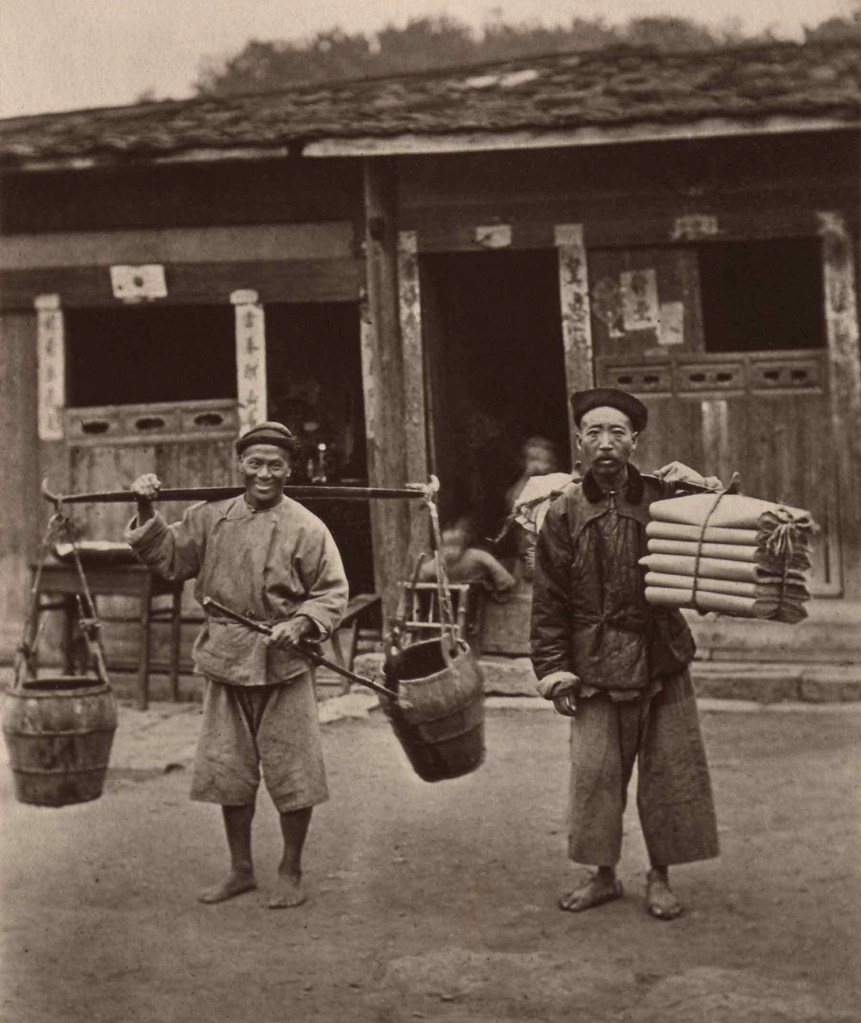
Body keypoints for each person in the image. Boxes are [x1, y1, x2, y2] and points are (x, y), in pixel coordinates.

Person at [126, 421, 348, 909]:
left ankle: (290, 869)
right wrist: (147, 508)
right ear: (239, 466)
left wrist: (303, 622)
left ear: (290, 470)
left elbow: (332, 592)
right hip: (226, 657)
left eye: (275, 465)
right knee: (229, 769)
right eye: (255, 464)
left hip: (285, 662)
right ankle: (240, 870)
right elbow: (169, 560)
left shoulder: (308, 527)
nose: (264, 474)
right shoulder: (209, 517)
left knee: (294, 770)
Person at [530, 388, 720, 920]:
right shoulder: (563, 513)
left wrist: (706, 491)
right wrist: (553, 669)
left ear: (635, 440)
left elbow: (715, 532)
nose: (606, 443)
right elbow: (549, 599)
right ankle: (603, 875)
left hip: (660, 654)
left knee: (668, 773)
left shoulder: (665, 497)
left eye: (617, 432)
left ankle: (660, 875)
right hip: (592, 663)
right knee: (594, 778)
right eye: (594, 432)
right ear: (580, 442)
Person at [418, 517, 516, 600]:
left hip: (476, 596)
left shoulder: (475, 556)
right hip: (450, 598)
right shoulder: (440, 561)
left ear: (464, 546)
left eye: (455, 546)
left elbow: (497, 570)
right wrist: (419, 577)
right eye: (446, 546)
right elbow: (424, 571)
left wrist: (501, 586)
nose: (450, 551)